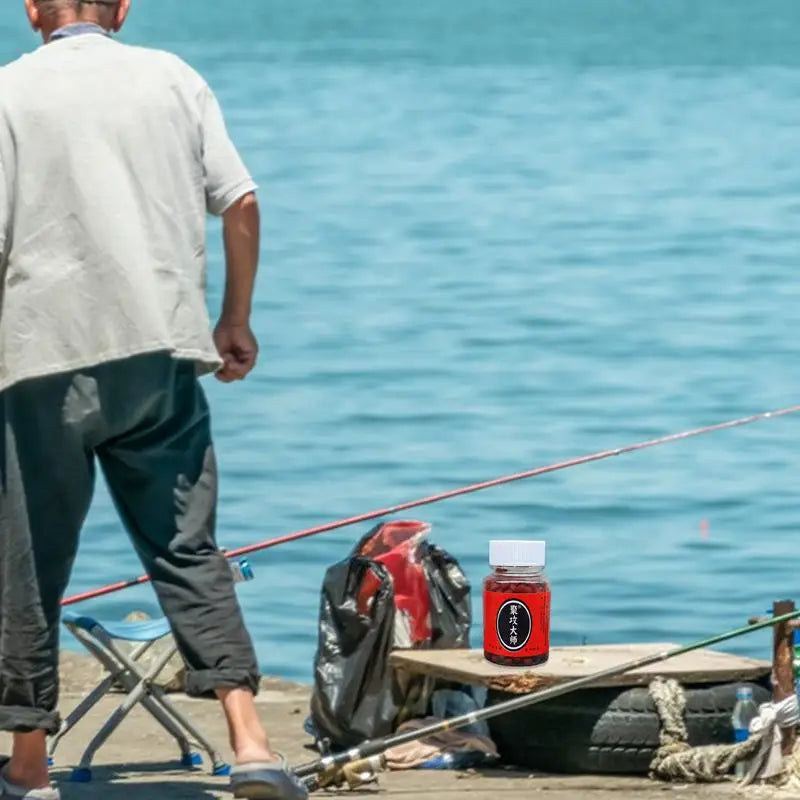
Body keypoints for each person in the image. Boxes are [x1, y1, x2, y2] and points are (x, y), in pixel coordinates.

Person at [0, 2, 307, 798]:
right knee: (187, 550)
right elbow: (241, 201)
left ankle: (29, 766)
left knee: (28, 564)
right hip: (160, 354)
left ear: (32, 8)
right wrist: (234, 318)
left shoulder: (9, 92)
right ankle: (251, 744)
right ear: (122, 7)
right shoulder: (173, 78)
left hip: (42, 361)